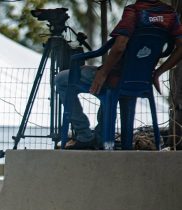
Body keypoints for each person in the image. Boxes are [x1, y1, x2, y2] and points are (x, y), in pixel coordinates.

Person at [56, 0, 182, 150]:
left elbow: (120, 46)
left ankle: (84, 135)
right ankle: (101, 137)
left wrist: (103, 72)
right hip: (141, 79)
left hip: (116, 77)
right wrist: (158, 72)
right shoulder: (170, 15)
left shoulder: (134, 11)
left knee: (62, 78)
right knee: (107, 95)